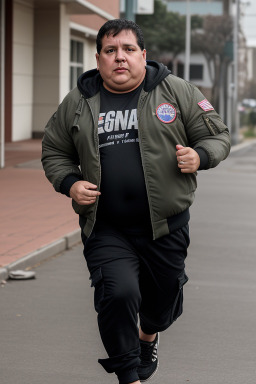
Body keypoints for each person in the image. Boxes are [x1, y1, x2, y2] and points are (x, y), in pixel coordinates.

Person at [42, 19, 230, 384]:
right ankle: (129, 376)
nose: (120, 58)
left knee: (160, 306)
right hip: (106, 227)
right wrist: (69, 183)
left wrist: (200, 156)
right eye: (110, 51)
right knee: (118, 293)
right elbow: (54, 150)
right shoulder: (78, 101)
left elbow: (217, 134)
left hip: (165, 226)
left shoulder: (176, 91)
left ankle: (150, 334)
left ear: (143, 55)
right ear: (98, 59)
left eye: (128, 50)